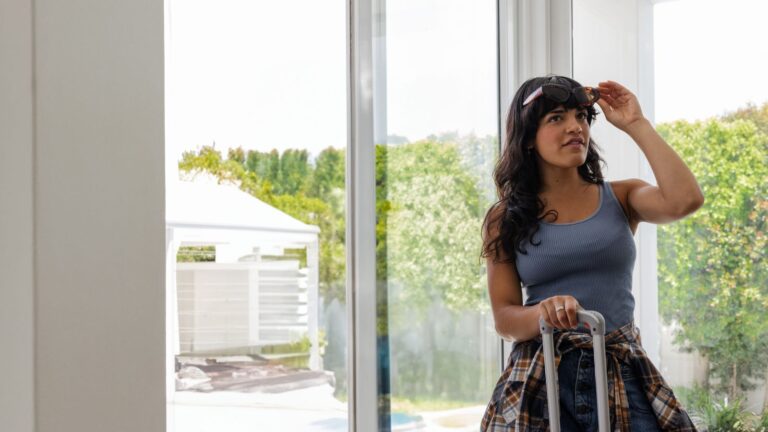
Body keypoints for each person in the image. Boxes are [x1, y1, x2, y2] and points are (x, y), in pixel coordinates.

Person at [479, 75, 703, 431]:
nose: (575, 127)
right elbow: (505, 319)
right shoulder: (504, 219)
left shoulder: (623, 197)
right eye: (556, 118)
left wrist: (636, 124)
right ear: (528, 139)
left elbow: (685, 200)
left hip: (621, 370)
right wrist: (543, 313)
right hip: (540, 382)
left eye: (581, 116)